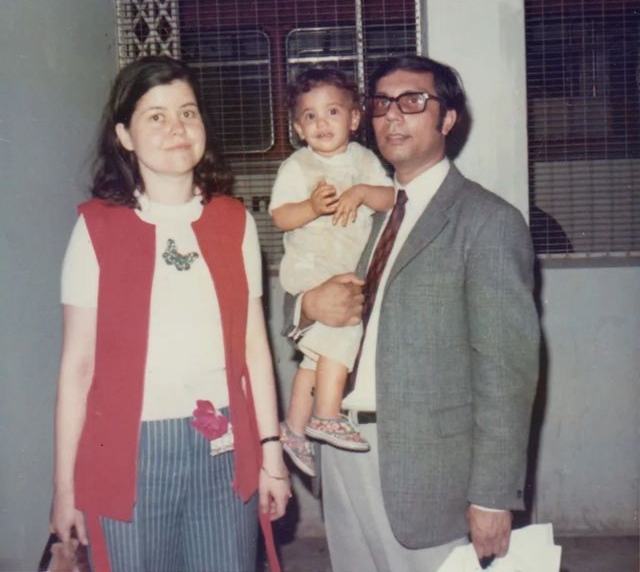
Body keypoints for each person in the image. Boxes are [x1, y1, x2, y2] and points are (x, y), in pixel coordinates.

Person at [284, 55, 540, 571]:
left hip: (426, 469)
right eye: (381, 104)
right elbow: (309, 297)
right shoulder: (363, 213)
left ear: (447, 120)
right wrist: (306, 306)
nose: (393, 116)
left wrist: (492, 495)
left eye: (413, 101)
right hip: (339, 444)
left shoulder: (486, 221)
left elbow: (506, 372)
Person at [50, 56, 290, 572]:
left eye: (188, 112)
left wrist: (271, 454)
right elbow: (77, 368)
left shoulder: (234, 222)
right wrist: (64, 487)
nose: (176, 128)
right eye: (155, 116)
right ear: (125, 136)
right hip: (128, 452)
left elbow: (254, 349)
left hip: (225, 444)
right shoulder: (96, 229)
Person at [270, 68, 394, 476]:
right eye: (310, 116)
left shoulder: (364, 160)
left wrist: (359, 192)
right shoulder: (297, 166)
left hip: (344, 267)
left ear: (355, 119)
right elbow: (280, 217)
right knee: (344, 327)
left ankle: (293, 426)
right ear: (297, 128)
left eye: (333, 112)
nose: (322, 123)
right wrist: (311, 208)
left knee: (316, 358)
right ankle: (325, 413)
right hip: (310, 268)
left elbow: (391, 198)